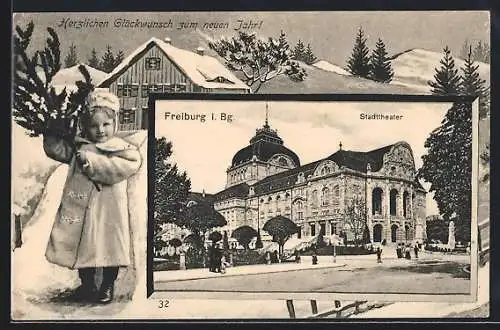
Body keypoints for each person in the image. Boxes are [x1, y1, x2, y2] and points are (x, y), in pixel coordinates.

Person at [43, 90, 142, 304]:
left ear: (114, 124)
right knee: (83, 247)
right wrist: (51, 135)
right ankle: (87, 285)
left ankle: (107, 286)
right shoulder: (79, 146)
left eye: (106, 125)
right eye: (94, 126)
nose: (100, 131)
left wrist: (93, 162)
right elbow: (59, 151)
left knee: (108, 248)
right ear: (85, 126)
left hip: (108, 210)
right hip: (81, 208)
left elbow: (125, 167)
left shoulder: (122, 149)